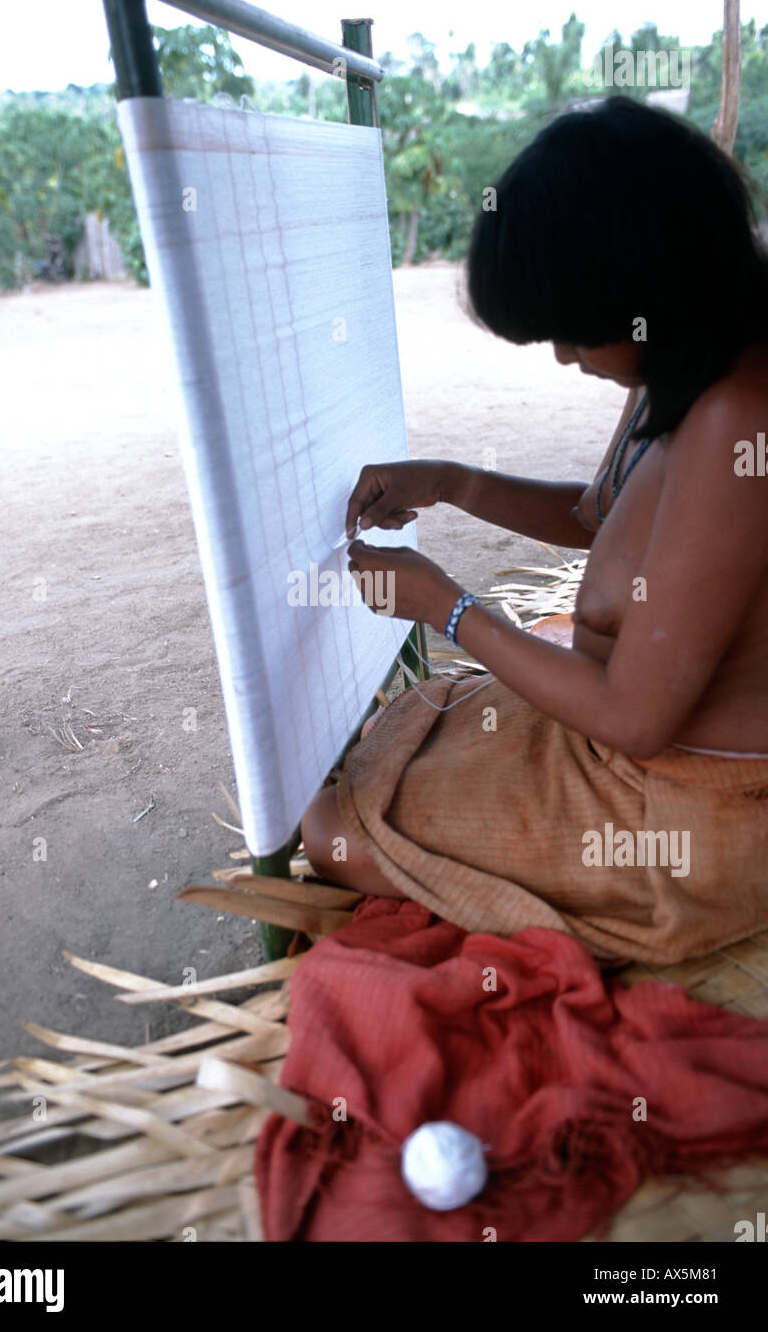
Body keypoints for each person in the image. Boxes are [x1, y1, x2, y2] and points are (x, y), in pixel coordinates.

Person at [301, 96, 768, 967]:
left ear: (645, 290)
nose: (562, 355)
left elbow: (633, 719)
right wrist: (450, 480)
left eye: (569, 328)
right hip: (620, 742)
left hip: (686, 812)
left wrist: (444, 607)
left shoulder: (740, 421)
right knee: (394, 737)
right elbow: (602, 517)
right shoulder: (681, 362)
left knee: (334, 835)